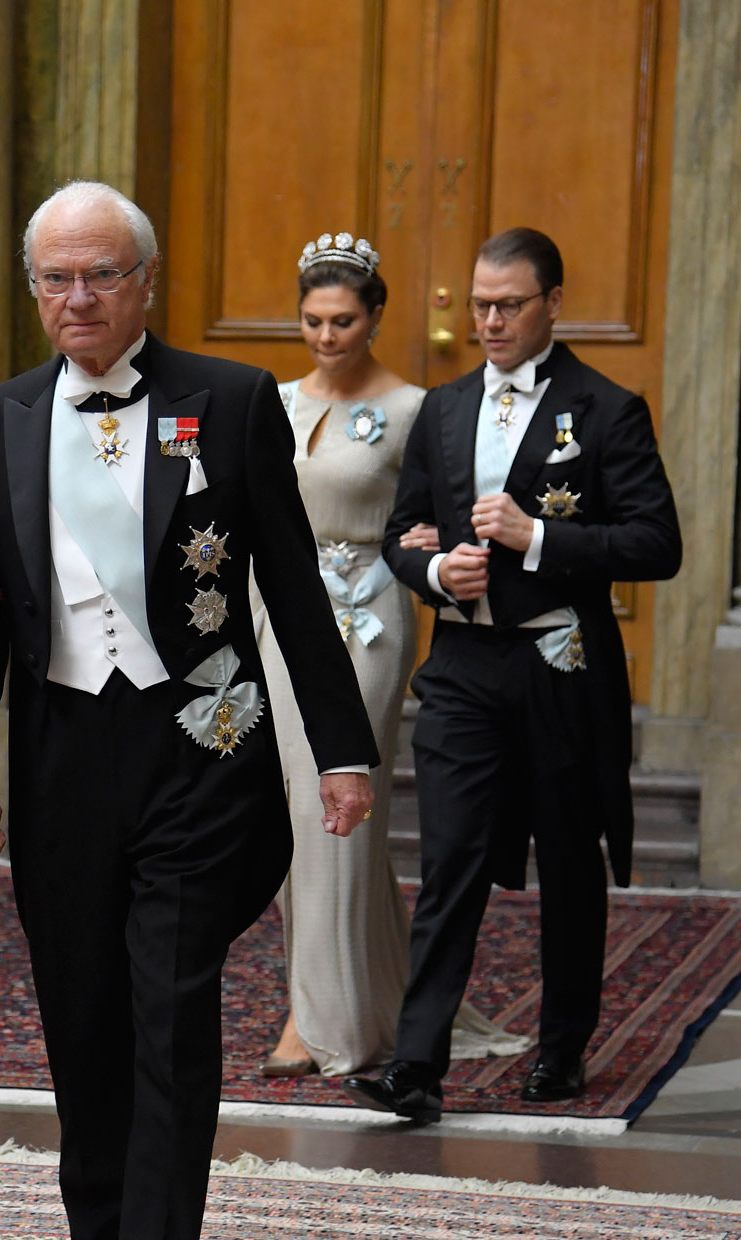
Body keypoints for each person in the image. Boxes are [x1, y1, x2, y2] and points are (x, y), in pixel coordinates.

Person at [0, 181, 378, 1240]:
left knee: (169, 1014)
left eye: (101, 273)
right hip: (58, 760)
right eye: (55, 277)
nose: (77, 297)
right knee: (80, 1016)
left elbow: (289, 581)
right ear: (33, 289)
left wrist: (340, 747)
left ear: (145, 281)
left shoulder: (227, 400)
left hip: (199, 750)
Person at [344, 227, 681, 1125]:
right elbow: (401, 532)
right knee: (449, 859)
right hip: (462, 669)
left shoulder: (607, 409)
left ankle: (562, 1049)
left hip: (557, 666)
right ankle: (417, 1066)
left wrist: (540, 538)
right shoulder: (444, 408)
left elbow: (657, 544)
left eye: (509, 305)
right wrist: (431, 571)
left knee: (567, 859)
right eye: (480, 304)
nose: (490, 321)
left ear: (553, 304)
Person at [255, 234, 528, 1077]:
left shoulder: (415, 408)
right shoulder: (274, 401)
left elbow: (440, 509)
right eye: (312, 321)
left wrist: (430, 544)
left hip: (365, 616)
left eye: (342, 321)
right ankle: (356, 991)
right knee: (286, 806)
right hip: (279, 614)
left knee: (339, 801)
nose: (325, 336)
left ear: (375, 317)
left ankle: (318, 1020)